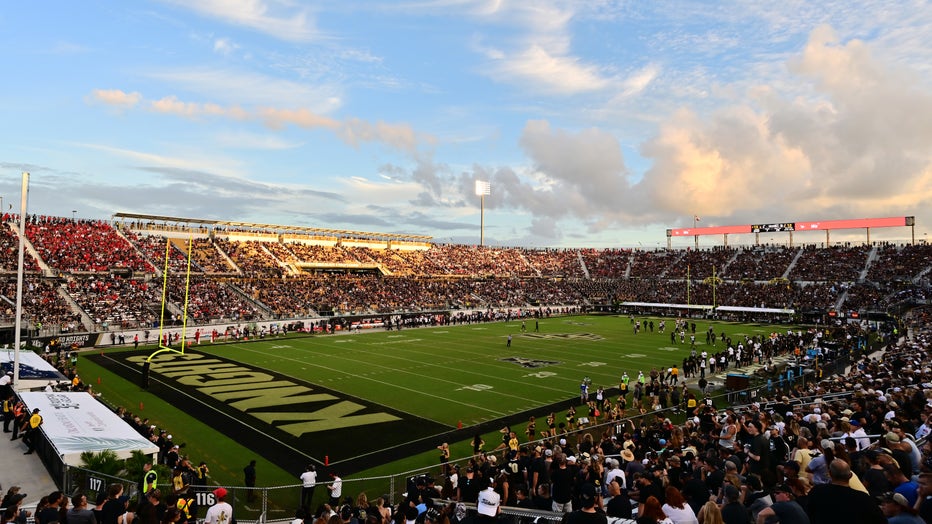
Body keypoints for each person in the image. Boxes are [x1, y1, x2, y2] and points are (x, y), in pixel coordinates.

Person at [805, 459, 884, 524]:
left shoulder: (817, 492)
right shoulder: (863, 498)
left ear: (830, 474)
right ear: (850, 475)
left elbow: (808, 514)